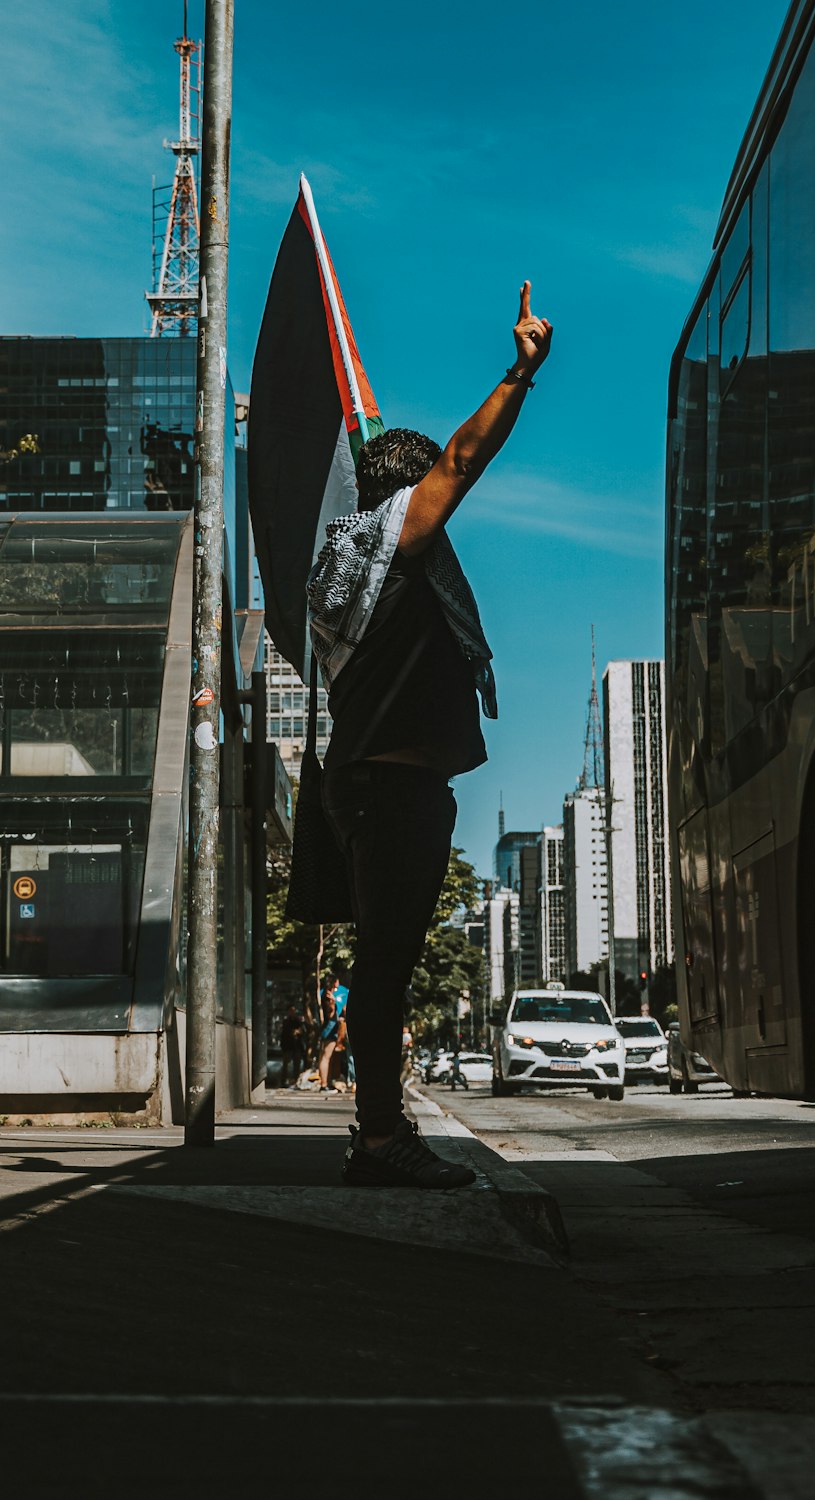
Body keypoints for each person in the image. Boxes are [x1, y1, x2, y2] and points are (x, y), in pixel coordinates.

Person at [308, 281, 552, 1188]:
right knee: (386, 967)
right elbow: (460, 459)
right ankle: (379, 1142)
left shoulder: (342, 563)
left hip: (375, 783)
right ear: (403, 493)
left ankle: (379, 1133)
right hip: (393, 789)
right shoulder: (391, 540)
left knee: (387, 961)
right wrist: (518, 375)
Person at [279, 1003, 306, 1087]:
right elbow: (286, 1033)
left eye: (294, 1011)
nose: (292, 1012)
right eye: (291, 1011)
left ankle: (296, 1080)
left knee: (296, 1064)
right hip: (288, 1045)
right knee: (286, 1064)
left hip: (297, 1046)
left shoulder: (298, 1021)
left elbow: (303, 1030)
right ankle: (284, 1081)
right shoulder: (286, 1021)